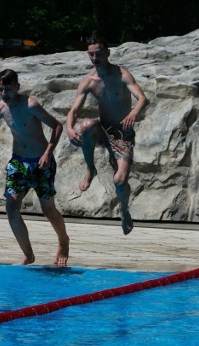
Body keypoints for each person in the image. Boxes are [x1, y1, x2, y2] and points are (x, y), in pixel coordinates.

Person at [0, 69, 69, 266]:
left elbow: (57, 126)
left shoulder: (31, 105)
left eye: (8, 89)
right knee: (11, 208)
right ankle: (28, 254)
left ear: (17, 87)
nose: (4, 94)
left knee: (48, 210)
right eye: (1, 90)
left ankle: (63, 241)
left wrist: (47, 153)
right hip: (19, 162)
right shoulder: (1, 109)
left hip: (41, 162)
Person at [66, 32, 148, 235]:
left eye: (99, 54)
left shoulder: (122, 74)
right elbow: (74, 110)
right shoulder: (88, 81)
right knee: (85, 126)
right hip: (103, 130)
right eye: (91, 55)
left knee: (119, 181)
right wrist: (69, 128)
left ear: (108, 52)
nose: (95, 59)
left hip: (122, 135)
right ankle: (91, 170)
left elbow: (142, 98)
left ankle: (125, 209)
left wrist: (134, 112)